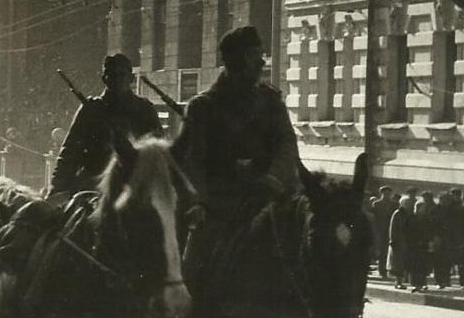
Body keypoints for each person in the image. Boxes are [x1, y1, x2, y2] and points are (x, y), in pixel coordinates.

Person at [173, 26, 299, 301]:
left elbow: (287, 146)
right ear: (234, 60)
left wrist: (274, 178)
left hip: (268, 197)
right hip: (220, 204)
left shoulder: (270, 102)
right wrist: (198, 202)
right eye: (253, 56)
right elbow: (193, 161)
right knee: (195, 268)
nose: (261, 62)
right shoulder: (204, 106)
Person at [49, 53, 161, 198]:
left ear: (131, 78)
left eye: (122, 74)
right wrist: (57, 187)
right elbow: (70, 151)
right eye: (111, 75)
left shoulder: (145, 109)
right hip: (93, 185)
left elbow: (158, 151)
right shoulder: (91, 109)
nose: (117, 79)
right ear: (104, 78)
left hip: (135, 185)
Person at [387, 193, 414, 290]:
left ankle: (402, 281)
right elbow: (393, 228)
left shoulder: (409, 214)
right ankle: (398, 282)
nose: (409, 205)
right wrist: (393, 240)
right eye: (407, 203)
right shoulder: (397, 213)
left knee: (403, 263)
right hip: (398, 242)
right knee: (397, 264)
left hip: (406, 241)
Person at [369, 186, 395, 279]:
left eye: (388, 193)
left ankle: (387, 270)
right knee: (380, 250)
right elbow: (373, 217)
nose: (387, 195)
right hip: (379, 229)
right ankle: (381, 270)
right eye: (385, 193)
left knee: (388, 250)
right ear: (381, 193)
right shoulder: (376, 204)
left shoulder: (394, 204)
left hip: (389, 230)